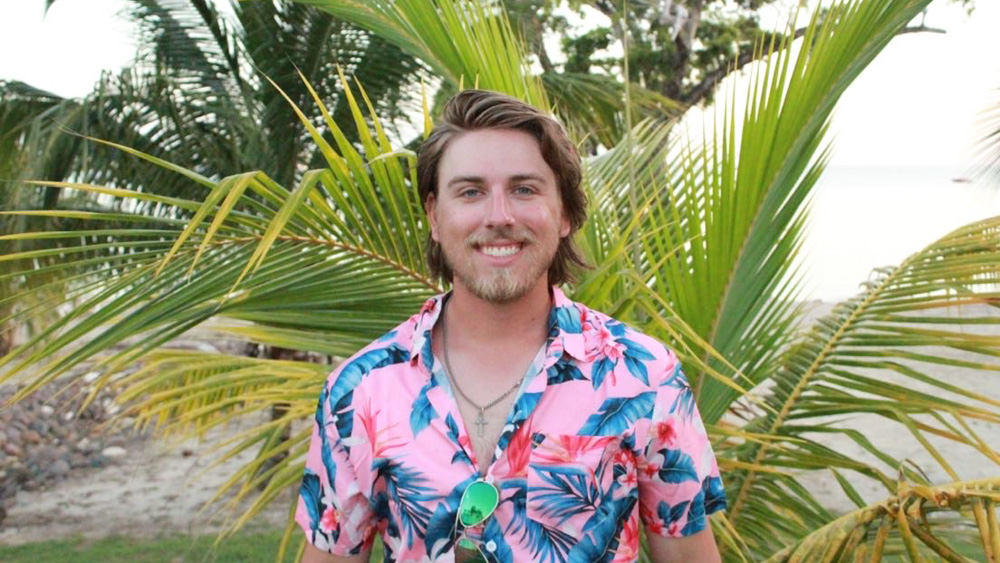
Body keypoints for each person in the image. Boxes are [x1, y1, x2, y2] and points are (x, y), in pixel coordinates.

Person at [296, 90, 726, 562]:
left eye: (524, 189)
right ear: (435, 217)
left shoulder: (644, 375)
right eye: (470, 192)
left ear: (564, 213)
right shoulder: (360, 388)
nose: (499, 216)